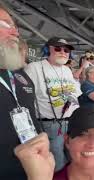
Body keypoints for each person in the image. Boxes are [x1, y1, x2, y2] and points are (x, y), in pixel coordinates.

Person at [24, 37, 82, 171]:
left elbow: (75, 92)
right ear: (47, 50)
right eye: (57, 48)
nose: (63, 52)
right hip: (50, 124)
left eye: (66, 50)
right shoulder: (34, 68)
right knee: (57, 163)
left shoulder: (67, 70)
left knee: (73, 160)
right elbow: (25, 96)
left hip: (71, 122)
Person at [0, 5, 42, 179]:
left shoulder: (17, 73)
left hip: (29, 169)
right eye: (4, 24)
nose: (15, 33)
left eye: (14, 27)